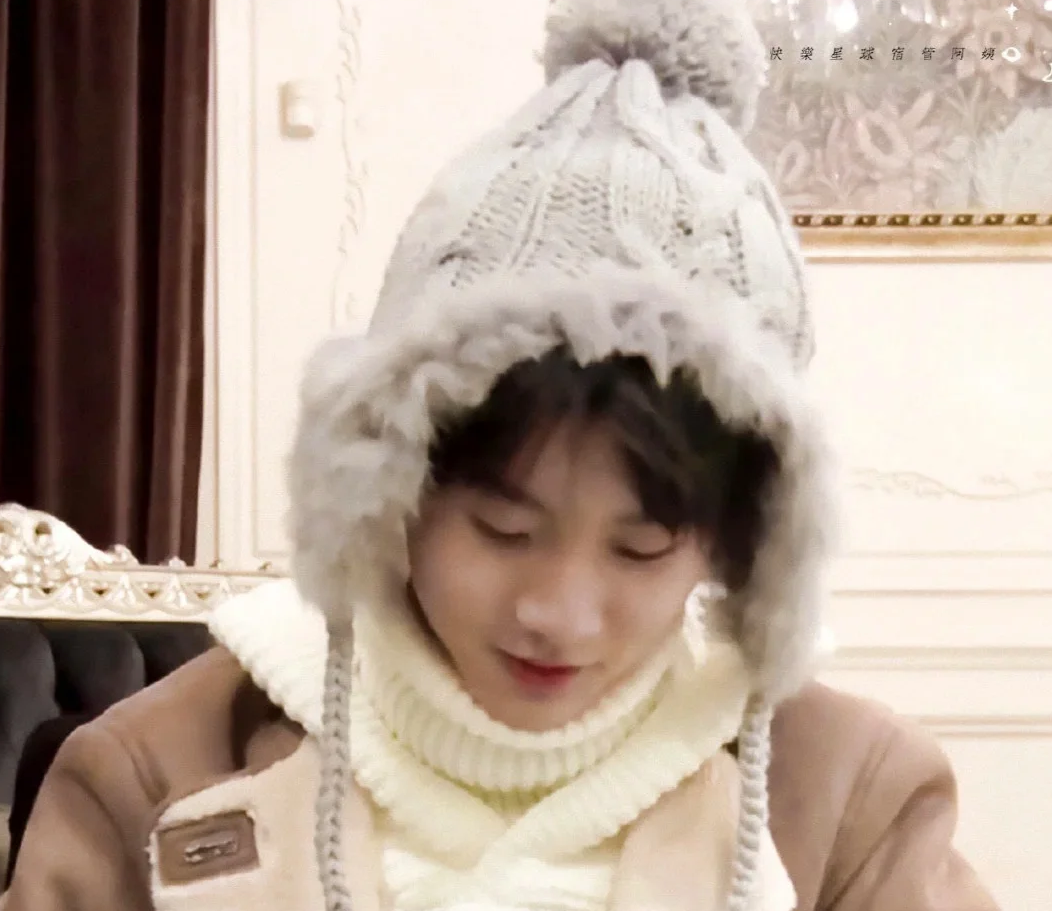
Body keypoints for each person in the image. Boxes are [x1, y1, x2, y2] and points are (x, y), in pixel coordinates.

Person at [3, 0, 999, 909]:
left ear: (734, 540)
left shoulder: (847, 804)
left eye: (640, 549)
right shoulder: (150, 776)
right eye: (503, 528)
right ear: (391, 484)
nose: (558, 612)